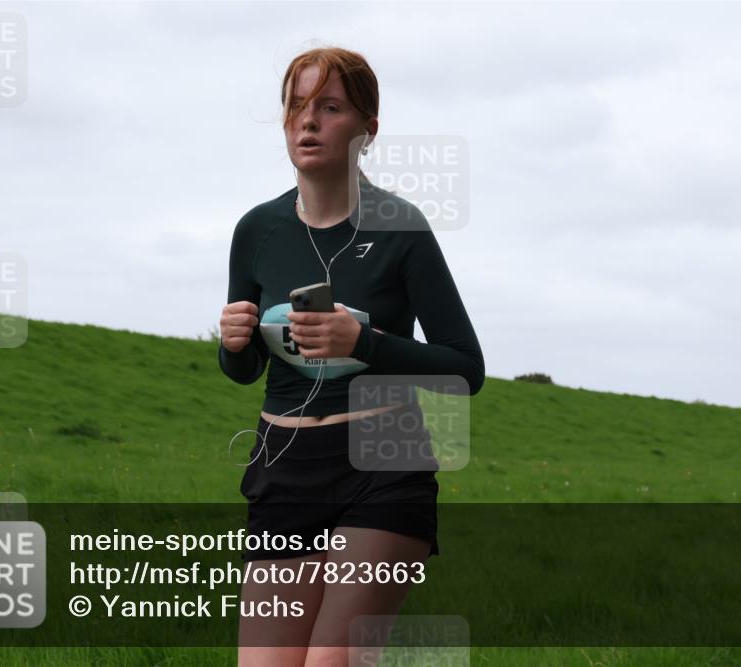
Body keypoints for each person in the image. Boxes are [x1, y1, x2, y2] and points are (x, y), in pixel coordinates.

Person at [217, 46, 485, 667]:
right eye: (296, 107)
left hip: (382, 463)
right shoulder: (256, 231)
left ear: (368, 128)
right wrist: (233, 344)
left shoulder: (401, 227)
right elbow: (246, 370)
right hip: (283, 466)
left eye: (330, 107)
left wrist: (363, 343)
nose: (308, 122)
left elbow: (465, 368)